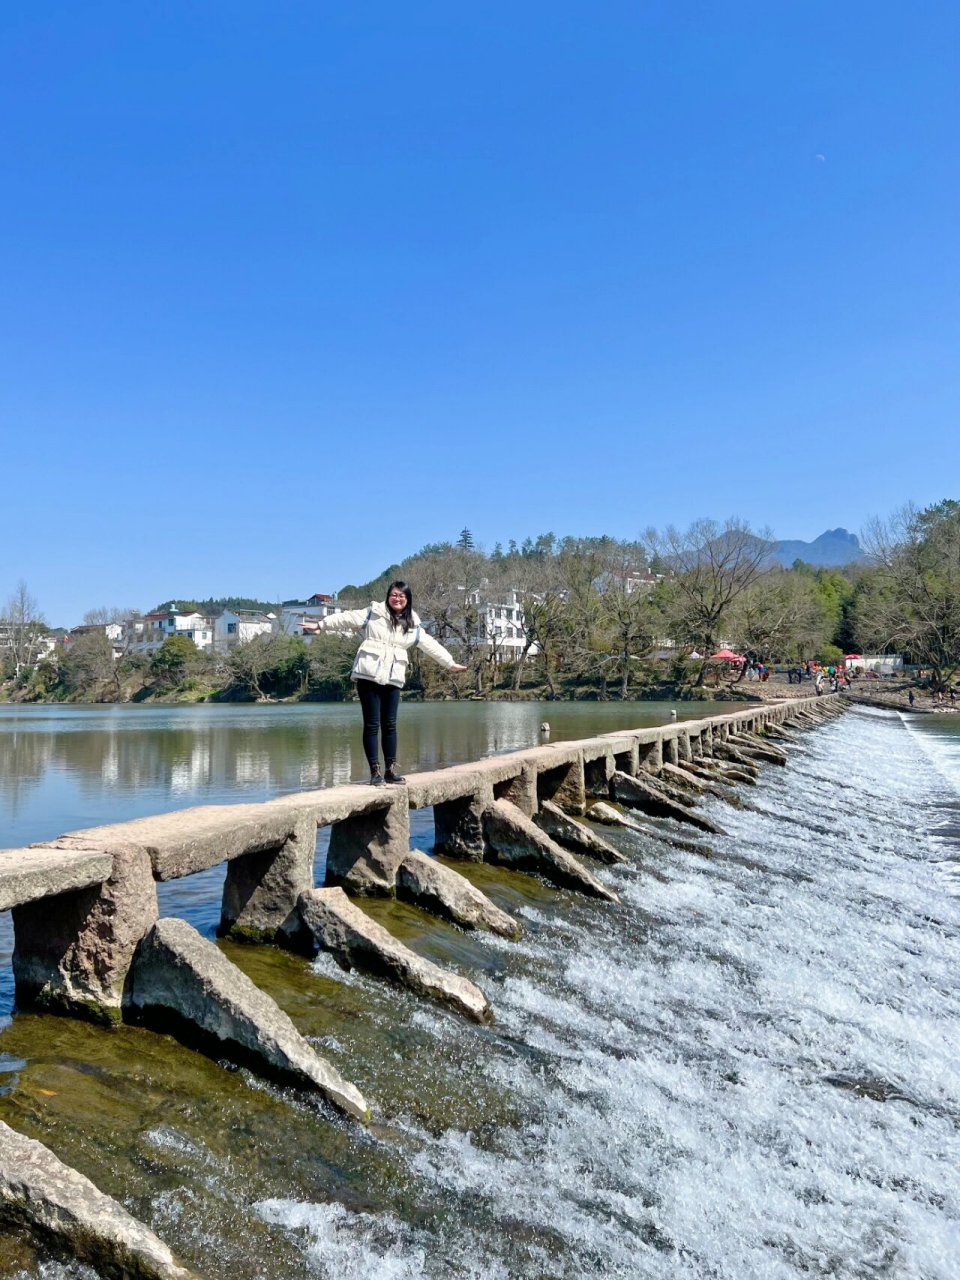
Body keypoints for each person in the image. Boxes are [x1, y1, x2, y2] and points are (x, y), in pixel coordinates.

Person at [306, 582, 467, 784]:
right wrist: (321, 624)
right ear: (388, 596)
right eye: (393, 594)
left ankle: (390, 771)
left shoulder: (413, 625)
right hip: (368, 676)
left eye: (401, 596)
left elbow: (431, 646)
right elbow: (346, 618)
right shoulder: (372, 613)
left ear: (407, 600)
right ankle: (375, 772)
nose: (397, 598)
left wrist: (450, 663)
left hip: (393, 678)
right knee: (372, 724)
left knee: (390, 725)